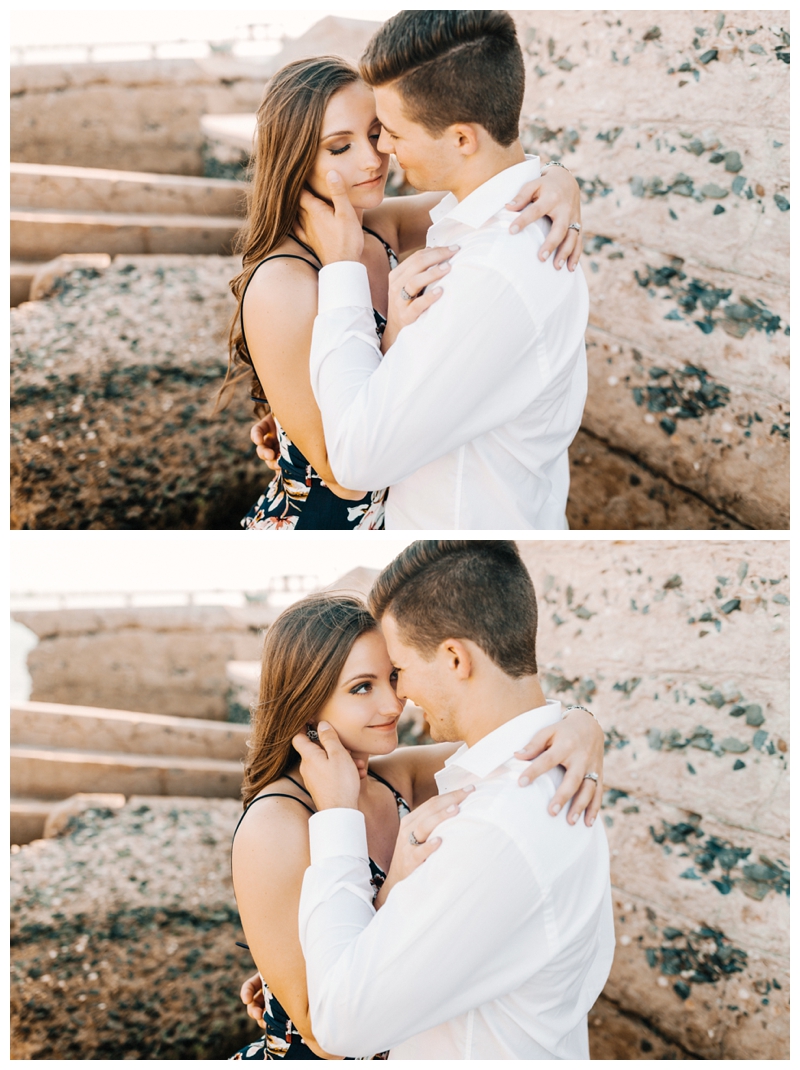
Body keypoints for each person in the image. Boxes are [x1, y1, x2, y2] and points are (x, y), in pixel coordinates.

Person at [230, 585, 605, 1059]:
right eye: (362, 688)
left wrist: (582, 723)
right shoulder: (276, 825)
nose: (394, 703)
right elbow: (326, 1038)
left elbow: (516, 740)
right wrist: (374, 862)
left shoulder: (397, 776)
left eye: (393, 676)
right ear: (306, 702)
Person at [222, 49, 584, 529]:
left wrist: (561, 177)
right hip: (331, 523)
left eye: (376, 135)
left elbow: (493, 188)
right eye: (339, 147)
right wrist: (391, 332)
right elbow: (344, 477)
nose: (373, 159)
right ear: (294, 158)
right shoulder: (281, 282)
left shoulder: (382, 224)